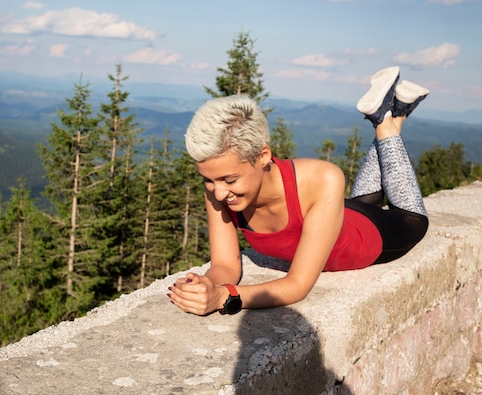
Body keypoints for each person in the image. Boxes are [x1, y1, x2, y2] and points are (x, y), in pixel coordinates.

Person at [168, 66, 430, 316]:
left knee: (414, 219)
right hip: (334, 216)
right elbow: (225, 265)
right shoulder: (217, 185)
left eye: (229, 180)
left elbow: (297, 285)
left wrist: (224, 297)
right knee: (367, 201)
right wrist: (206, 285)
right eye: (210, 180)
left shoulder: (324, 178)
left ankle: (384, 123)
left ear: (263, 156)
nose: (219, 193)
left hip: (371, 236)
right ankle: (394, 114)